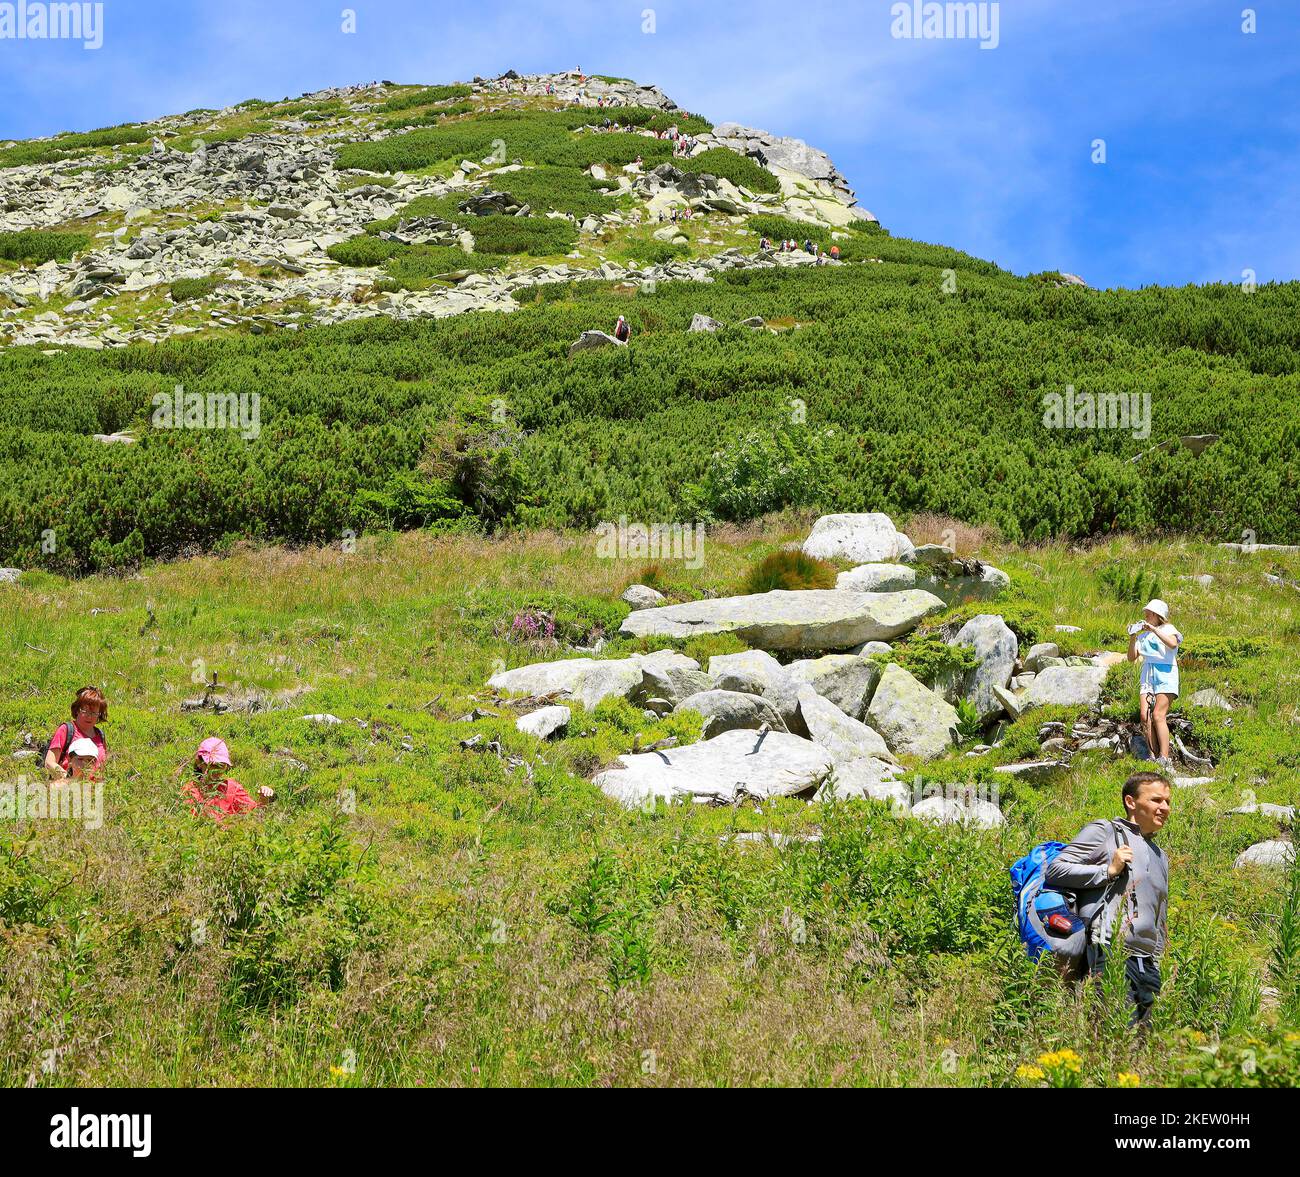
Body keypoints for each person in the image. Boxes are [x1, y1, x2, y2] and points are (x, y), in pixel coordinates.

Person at [1045, 771, 1171, 1029]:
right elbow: (1056, 869)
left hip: (1147, 963)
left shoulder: (1161, 856)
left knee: (1145, 1042)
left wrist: (1158, 959)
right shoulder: (1105, 832)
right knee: (1114, 1032)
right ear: (1131, 802)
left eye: (1168, 802)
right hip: (1109, 951)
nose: (1165, 808)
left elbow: (1160, 915)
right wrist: (1107, 871)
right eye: (1157, 800)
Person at [1127, 598, 1182, 768]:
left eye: (1149, 613)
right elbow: (1131, 657)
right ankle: (1152, 755)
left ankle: (1164, 757)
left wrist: (1153, 629)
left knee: (1158, 714)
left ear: (1158, 615)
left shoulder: (1168, 629)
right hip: (1148, 673)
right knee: (1145, 716)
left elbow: (1172, 644)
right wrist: (1132, 637)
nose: (1146, 615)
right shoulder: (1143, 636)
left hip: (1166, 673)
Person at [182, 737, 274, 823]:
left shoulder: (232, 788)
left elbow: (256, 816)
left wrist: (264, 799)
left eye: (221, 766)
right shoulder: (189, 791)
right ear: (199, 762)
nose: (217, 770)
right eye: (213, 765)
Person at [45, 686, 109, 779]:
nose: (89, 716)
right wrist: (68, 779)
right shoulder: (66, 730)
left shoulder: (100, 735)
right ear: (77, 709)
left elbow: (103, 767)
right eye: (85, 711)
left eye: (94, 713)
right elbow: (49, 763)